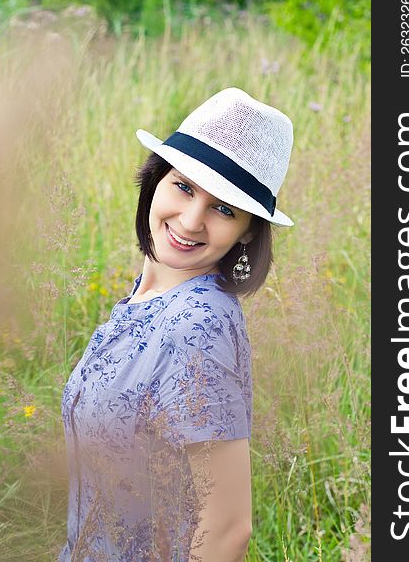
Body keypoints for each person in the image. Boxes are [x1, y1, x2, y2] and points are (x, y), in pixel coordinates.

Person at [58, 87, 294, 562]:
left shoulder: (198, 325)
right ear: (155, 180)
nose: (190, 221)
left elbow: (227, 527)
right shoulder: (146, 297)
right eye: (183, 186)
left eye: (223, 208)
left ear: (248, 229)